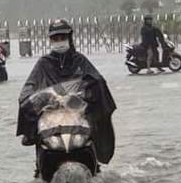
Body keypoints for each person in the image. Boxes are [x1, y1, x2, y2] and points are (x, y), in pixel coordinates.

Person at [16, 19, 116, 171]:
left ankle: (95, 162)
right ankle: (39, 164)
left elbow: (97, 81)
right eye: (55, 39)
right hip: (51, 113)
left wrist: (85, 94)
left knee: (95, 125)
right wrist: (38, 98)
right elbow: (29, 87)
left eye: (62, 38)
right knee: (39, 135)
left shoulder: (79, 60)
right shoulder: (44, 63)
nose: (59, 41)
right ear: (50, 40)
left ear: (69, 37)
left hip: (77, 111)